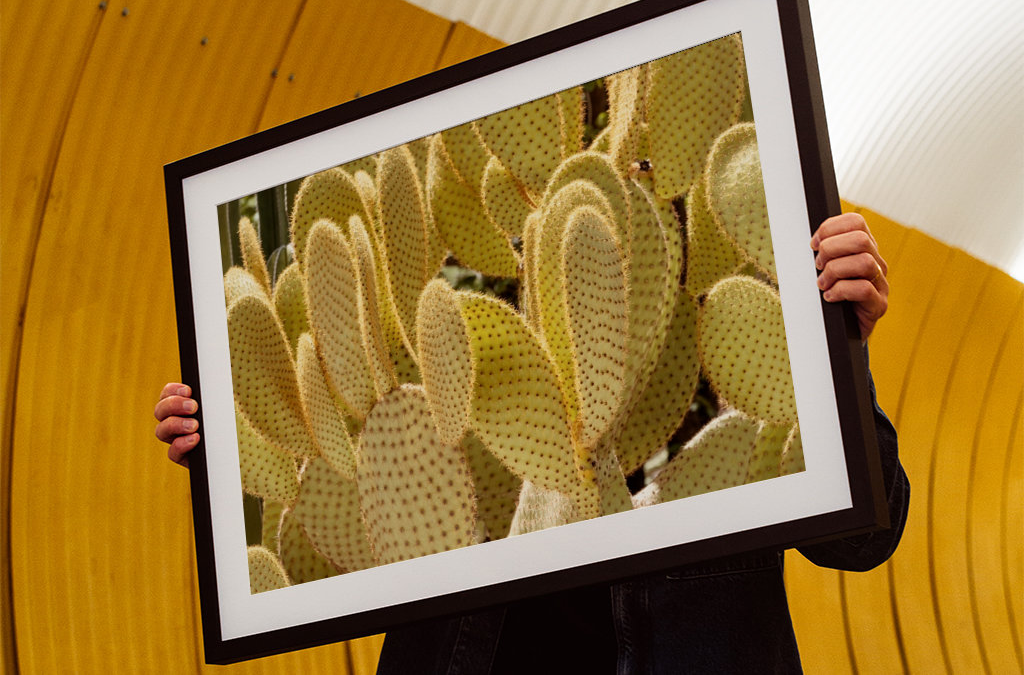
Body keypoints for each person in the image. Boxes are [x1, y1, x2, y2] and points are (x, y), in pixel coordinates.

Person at [155, 213, 908, 674]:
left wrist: (839, 350)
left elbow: (864, 537)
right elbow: (378, 509)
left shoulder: (748, 396)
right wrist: (234, 440)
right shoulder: (470, 403)